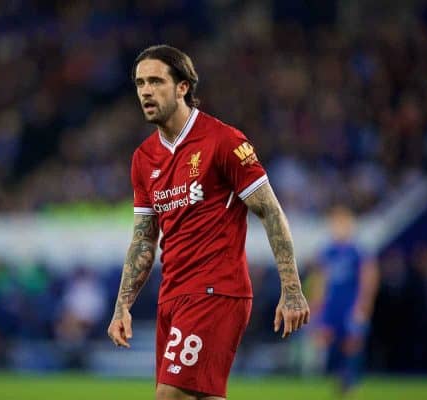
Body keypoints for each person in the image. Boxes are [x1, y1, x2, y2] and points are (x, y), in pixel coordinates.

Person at [107, 45, 310, 400]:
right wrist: (122, 304)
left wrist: (291, 289)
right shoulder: (143, 159)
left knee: (170, 396)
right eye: (140, 82)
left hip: (216, 290)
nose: (145, 91)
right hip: (173, 295)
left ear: (183, 87)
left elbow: (270, 211)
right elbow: (143, 240)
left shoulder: (224, 141)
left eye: (156, 81)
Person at [309, 205, 379, 396]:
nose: (338, 227)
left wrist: (364, 304)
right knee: (330, 341)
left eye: (342, 222)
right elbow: (319, 280)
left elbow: (368, 278)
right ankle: (341, 379)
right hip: (331, 306)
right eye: (335, 223)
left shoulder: (358, 250)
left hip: (350, 305)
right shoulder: (327, 251)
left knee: (352, 342)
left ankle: (352, 381)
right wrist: (316, 305)